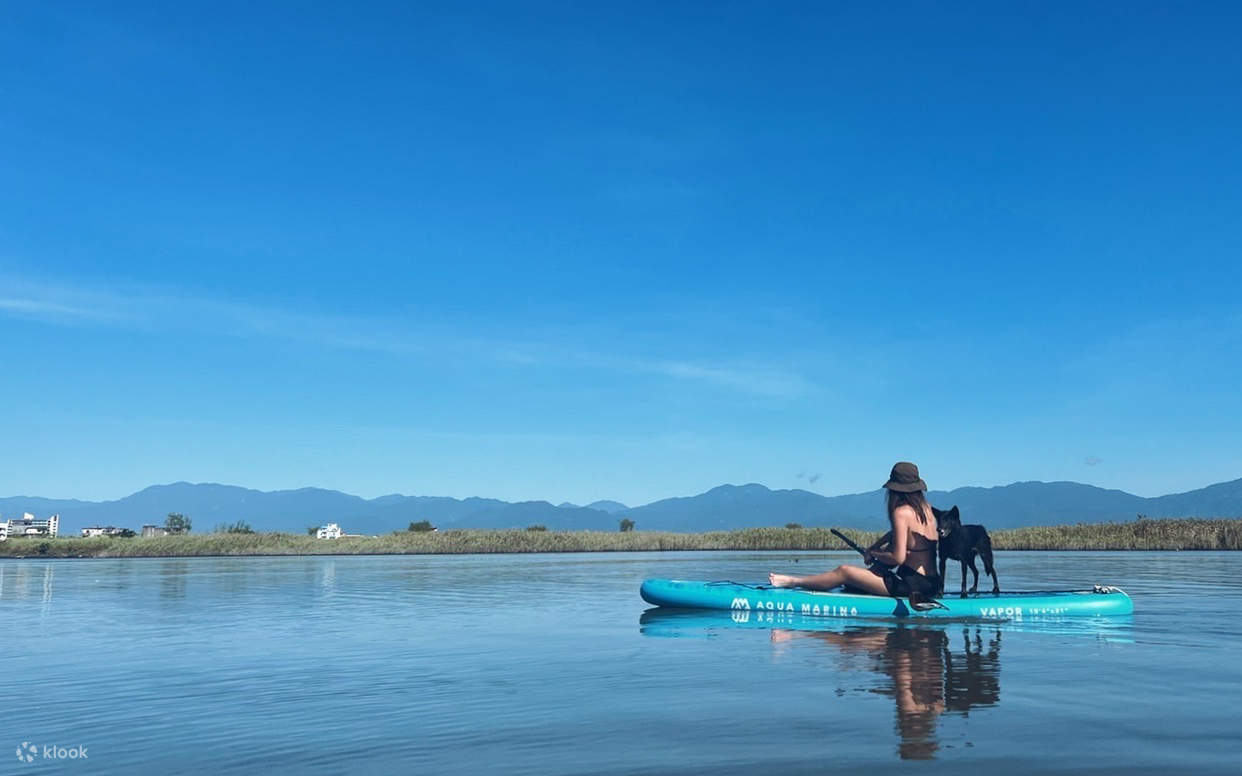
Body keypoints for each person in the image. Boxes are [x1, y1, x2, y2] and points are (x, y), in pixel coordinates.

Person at [769, 462, 942, 603]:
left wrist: (874, 553)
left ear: (895, 489)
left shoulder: (901, 512)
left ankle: (791, 581)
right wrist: (874, 547)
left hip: (912, 586)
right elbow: (898, 535)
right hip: (931, 583)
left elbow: (898, 558)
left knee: (844, 571)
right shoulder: (927, 510)